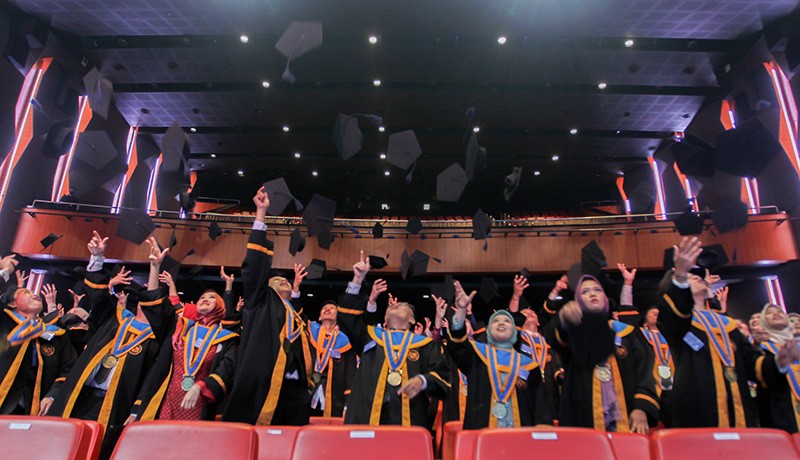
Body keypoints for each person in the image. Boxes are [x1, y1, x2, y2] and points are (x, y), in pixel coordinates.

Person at [46, 233, 175, 458]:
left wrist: (155, 268)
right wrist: (97, 258)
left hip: (114, 403)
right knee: (63, 449)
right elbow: (97, 296)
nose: (146, 303)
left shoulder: (156, 336)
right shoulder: (114, 319)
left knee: (99, 452)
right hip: (79, 395)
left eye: (150, 301)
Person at [222, 187, 313, 426]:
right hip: (261, 388)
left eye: (284, 279)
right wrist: (261, 214)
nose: (282, 279)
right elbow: (253, 267)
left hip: (293, 394)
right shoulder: (260, 301)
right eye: (276, 279)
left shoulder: (294, 315)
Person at [337, 251, 451, 427]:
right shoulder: (370, 336)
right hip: (367, 418)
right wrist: (357, 279)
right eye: (394, 306)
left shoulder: (425, 345)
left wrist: (423, 380)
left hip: (410, 419)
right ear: (385, 318)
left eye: (403, 306)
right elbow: (346, 317)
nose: (397, 305)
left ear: (412, 320)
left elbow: (444, 379)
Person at [657, 237, 760, 428]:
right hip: (698, 413)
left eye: (695, 276)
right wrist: (680, 274)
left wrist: (779, 361)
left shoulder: (727, 325)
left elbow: (751, 364)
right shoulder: (679, 324)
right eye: (690, 278)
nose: (695, 277)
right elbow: (675, 317)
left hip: (740, 412)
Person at [544, 274, 658, 433]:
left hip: (626, 418)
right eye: (585, 292)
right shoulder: (573, 333)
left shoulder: (628, 333)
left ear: (605, 298)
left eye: (597, 290)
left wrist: (642, 408)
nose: (592, 294)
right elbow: (555, 339)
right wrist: (562, 318)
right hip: (583, 419)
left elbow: (645, 372)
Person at [125, 280, 239, 423]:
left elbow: (226, 371)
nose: (205, 299)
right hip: (166, 402)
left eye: (212, 298)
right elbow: (157, 307)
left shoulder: (226, 339)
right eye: (202, 297)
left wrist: (202, 386)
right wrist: (155, 268)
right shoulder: (180, 328)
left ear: (221, 307)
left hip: (198, 404)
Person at [445, 280, 539, 428]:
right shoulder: (476, 356)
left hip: (520, 439)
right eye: (495, 321)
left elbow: (540, 407)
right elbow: (457, 345)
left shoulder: (529, 365)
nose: (501, 323)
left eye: (507, 321)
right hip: (482, 437)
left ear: (515, 332)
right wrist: (461, 311)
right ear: (488, 331)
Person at [0, 255, 77, 416]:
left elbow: (68, 370)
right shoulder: (4, 321)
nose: (35, 294)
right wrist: (5, 271)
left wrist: (52, 395)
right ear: (12, 303)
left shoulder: (55, 334)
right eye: (25, 292)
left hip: (32, 402)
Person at [508, 274, 559, 425]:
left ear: (538, 320)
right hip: (525, 391)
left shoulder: (548, 343)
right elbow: (512, 319)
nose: (529, 314)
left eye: (532, 313)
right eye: (524, 314)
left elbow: (557, 364)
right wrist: (516, 296)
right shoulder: (517, 340)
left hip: (550, 394)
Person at [753, 303, 800, 433]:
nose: (776, 314)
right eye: (769, 312)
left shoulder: (797, 345)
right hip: (781, 416)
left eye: (780, 311)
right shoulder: (760, 348)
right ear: (763, 322)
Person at [308, 300, 357, 418]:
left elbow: (350, 375)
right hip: (308, 391)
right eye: (324, 308)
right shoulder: (309, 333)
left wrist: (348, 404)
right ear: (319, 316)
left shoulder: (345, 341)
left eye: (332, 308)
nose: (327, 309)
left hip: (335, 397)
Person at [639, 306, 674, 427]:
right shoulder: (642, 336)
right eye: (652, 313)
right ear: (645, 322)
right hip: (651, 385)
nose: (656, 313)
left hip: (673, 386)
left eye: (659, 313)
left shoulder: (673, 336)